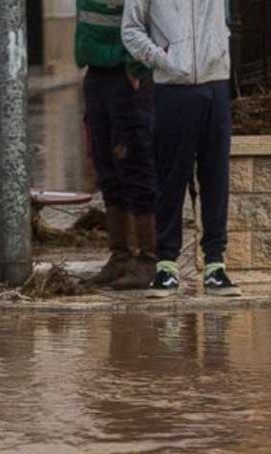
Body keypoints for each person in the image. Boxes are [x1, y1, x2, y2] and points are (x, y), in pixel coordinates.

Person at [121, 0, 239, 296]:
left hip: (215, 82)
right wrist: (161, 59)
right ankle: (166, 266)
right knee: (170, 177)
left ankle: (215, 265)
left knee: (215, 176)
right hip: (172, 87)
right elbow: (131, 29)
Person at [76, 0, 157, 290]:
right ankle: (119, 256)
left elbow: (146, 17)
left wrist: (136, 66)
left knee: (134, 164)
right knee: (107, 169)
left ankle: (149, 258)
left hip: (126, 75)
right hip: (97, 73)